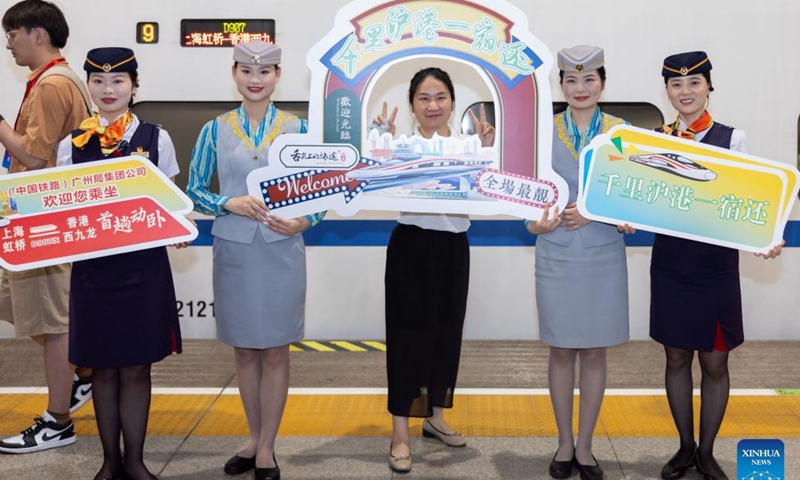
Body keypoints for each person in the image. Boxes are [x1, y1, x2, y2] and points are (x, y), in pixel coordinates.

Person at [187, 41, 323, 480]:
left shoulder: (299, 128)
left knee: (277, 351)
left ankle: (266, 448)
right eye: (246, 70)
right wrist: (229, 203)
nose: (255, 79)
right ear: (234, 73)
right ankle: (252, 436)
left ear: (278, 75)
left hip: (282, 248)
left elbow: (322, 188)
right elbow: (194, 190)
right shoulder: (215, 129)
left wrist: (307, 221)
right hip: (234, 249)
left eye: (264, 72)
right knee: (245, 350)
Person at [652, 51, 783, 480]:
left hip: (715, 266)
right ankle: (684, 446)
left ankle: (706, 451)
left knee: (714, 362)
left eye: (694, 83)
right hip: (671, 261)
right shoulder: (655, 140)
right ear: (667, 90)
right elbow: (645, 198)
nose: (685, 92)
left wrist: (767, 236)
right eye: (676, 84)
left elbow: (748, 199)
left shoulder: (733, 138)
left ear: (709, 86)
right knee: (675, 359)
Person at [55, 47, 183, 480]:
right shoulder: (70, 146)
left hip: (143, 271)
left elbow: (171, 205)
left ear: (134, 86)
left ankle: (136, 461)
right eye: (98, 81)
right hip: (93, 273)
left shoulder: (155, 138)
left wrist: (177, 230)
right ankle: (109, 462)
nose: (108, 90)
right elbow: (61, 213)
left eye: (119, 81)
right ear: (88, 86)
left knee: (136, 366)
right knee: (103, 367)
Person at [372, 66, 494, 473]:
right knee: (406, 339)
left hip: (453, 247)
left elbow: (488, 191)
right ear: (412, 104)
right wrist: (380, 146)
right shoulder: (400, 145)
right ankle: (400, 433)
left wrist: (489, 152)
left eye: (440, 97)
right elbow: (371, 178)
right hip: (410, 246)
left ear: (452, 103)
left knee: (446, 335)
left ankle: (437, 419)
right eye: (424, 98)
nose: (432, 105)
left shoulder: (469, 147)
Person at [526, 45, 630, 480]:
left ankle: (585, 447)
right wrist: (536, 225)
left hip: (603, 251)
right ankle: (564, 443)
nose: (580, 88)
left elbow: (633, 197)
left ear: (603, 82)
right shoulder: (541, 131)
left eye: (589, 80)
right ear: (561, 85)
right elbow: (523, 196)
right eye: (571, 80)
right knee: (561, 350)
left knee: (594, 352)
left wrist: (595, 211)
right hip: (555, 251)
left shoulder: (622, 132)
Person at [0, 0, 93, 455]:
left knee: (54, 324)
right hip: (32, 220)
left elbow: (36, 157)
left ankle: (59, 421)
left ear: (38, 34)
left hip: (45, 223)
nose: (8, 44)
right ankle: (87, 368)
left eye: (12, 34)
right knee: (20, 305)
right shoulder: (55, 80)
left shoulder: (53, 85)